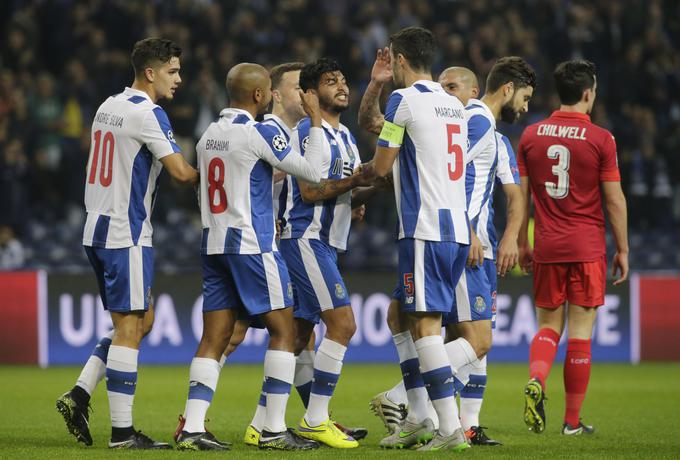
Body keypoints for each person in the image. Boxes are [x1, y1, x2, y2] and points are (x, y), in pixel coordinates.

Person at [175, 62, 371, 451]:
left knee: (215, 337)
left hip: (214, 243)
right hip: (253, 244)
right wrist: (315, 119)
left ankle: (192, 427)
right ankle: (273, 430)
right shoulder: (261, 131)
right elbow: (314, 171)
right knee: (286, 331)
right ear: (261, 96)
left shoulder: (208, 134)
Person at [55, 38, 199, 449]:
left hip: (96, 228)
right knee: (130, 329)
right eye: (173, 71)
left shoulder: (107, 105)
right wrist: (225, 169)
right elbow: (182, 173)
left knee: (140, 321)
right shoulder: (149, 113)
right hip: (127, 233)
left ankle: (80, 393)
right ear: (150, 73)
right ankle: (122, 434)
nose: (179, 79)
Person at [364, 26, 471, 452]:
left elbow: (383, 165)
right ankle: (419, 416)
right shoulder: (454, 105)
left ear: (401, 61)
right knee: (399, 315)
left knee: (426, 326)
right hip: (456, 229)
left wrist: (346, 183)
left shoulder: (403, 100)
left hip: (424, 229)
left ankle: (449, 428)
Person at [518, 59, 629, 436]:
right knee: (580, 335)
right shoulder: (601, 139)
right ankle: (570, 422)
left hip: (547, 245)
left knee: (548, 326)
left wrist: (521, 240)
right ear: (587, 94)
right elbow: (614, 200)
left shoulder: (531, 136)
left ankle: (537, 378)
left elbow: (521, 197)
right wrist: (623, 249)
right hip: (587, 248)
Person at [277, 58, 374, 449]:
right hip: (305, 239)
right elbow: (310, 192)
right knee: (344, 325)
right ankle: (315, 419)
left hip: (327, 244)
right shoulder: (306, 131)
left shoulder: (347, 136)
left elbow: (341, 189)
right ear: (313, 93)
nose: (342, 86)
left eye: (344, 80)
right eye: (331, 82)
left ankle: (263, 421)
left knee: (299, 335)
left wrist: (365, 191)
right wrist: (355, 181)